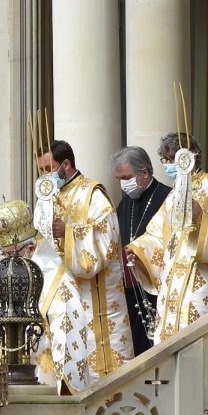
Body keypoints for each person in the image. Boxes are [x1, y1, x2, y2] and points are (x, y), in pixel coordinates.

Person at [126, 132, 208, 343]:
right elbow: (158, 235)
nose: (169, 164)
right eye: (166, 159)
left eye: (173, 159)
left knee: (194, 343)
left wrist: (201, 216)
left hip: (201, 282)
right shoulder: (173, 194)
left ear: (191, 157)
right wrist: (139, 250)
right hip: (172, 286)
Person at [36, 140, 133, 378]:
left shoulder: (92, 193)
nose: (44, 176)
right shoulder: (46, 200)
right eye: (40, 171)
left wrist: (68, 232)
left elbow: (107, 237)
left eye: (48, 169)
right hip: (60, 300)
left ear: (66, 164)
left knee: (95, 368)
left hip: (93, 299)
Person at [0, 199, 92, 393]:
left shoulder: (59, 285)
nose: (6, 262)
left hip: (47, 388)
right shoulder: (15, 278)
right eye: (3, 254)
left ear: (30, 249)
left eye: (11, 254)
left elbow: (68, 344)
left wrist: (66, 396)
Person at [113, 145, 170, 353]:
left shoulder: (166, 198)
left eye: (126, 177)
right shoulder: (125, 203)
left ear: (144, 172)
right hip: (129, 289)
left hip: (155, 287)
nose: (123, 184)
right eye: (119, 179)